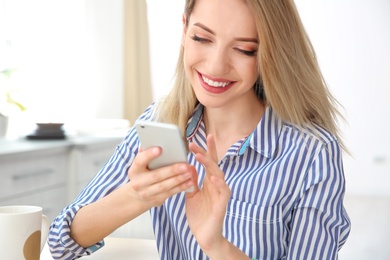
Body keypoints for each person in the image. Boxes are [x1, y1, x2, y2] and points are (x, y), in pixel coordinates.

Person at [48, 0, 351, 259]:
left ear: (270, 54)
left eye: (245, 49)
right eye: (202, 39)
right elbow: (61, 243)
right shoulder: (162, 120)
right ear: (184, 30)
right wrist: (138, 196)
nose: (216, 66)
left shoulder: (312, 152)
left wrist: (217, 246)